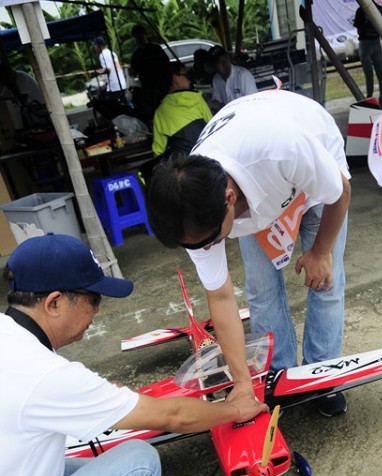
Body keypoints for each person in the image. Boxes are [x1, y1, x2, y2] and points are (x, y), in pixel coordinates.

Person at [0, 233, 267, 476]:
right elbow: (171, 414)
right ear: (54, 302)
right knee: (138, 462)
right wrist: (234, 408)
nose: (97, 311)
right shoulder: (45, 376)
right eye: (93, 299)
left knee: (73, 461)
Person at [147, 89, 351, 417]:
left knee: (325, 280)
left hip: (306, 162)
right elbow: (222, 298)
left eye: (210, 240)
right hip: (259, 183)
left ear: (229, 200)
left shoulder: (282, 148)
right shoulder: (192, 213)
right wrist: (242, 383)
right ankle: (279, 377)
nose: (206, 249)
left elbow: (339, 192)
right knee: (260, 288)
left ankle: (321, 377)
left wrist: (321, 251)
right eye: (194, 245)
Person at [152, 61, 212, 158]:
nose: (189, 79)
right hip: (208, 155)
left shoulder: (160, 112)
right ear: (175, 78)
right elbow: (212, 125)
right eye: (185, 75)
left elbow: (158, 150)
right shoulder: (197, 99)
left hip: (185, 164)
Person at [129, 24, 170, 121]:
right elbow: (134, 73)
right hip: (148, 89)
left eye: (141, 36)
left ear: (145, 35)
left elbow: (166, 63)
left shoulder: (156, 49)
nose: (139, 39)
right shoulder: (136, 55)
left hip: (162, 86)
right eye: (137, 37)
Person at [208, 45, 257, 112]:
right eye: (219, 62)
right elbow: (217, 102)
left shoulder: (243, 75)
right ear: (214, 67)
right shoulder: (216, 79)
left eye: (226, 58)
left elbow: (254, 103)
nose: (225, 63)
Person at [353, 0, 382, 100]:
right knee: (378, 73)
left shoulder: (362, 10)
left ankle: (372, 96)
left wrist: (367, 29)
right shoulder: (378, 9)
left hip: (368, 42)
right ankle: (379, 96)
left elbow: (359, 30)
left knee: (372, 74)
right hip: (372, 42)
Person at [0, 63, 49, 129]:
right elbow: (3, 99)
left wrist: (10, 99)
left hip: (37, 110)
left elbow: (22, 99)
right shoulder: (8, 84)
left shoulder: (21, 77)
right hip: (29, 112)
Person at [94, 36, 127, 104]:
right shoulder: (112, 52)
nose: (95, 48)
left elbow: (108, 69)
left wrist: (99, 71)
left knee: (112, 105)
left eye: (95, 45)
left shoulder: (102, 55)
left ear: (98, 45)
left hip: (114, 86)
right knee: (124, 104)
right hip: (121, 83)